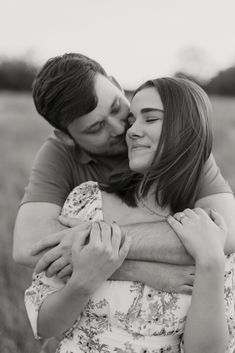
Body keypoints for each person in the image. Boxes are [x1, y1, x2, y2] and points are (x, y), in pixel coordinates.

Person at [24, 77, 235, 353]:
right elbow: (44, 326)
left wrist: (210, 263)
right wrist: (87, 277)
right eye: (133, 120)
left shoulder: (213, 226)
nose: (131, 131)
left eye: (150, 119)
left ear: (186, 127)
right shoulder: (86, 201)